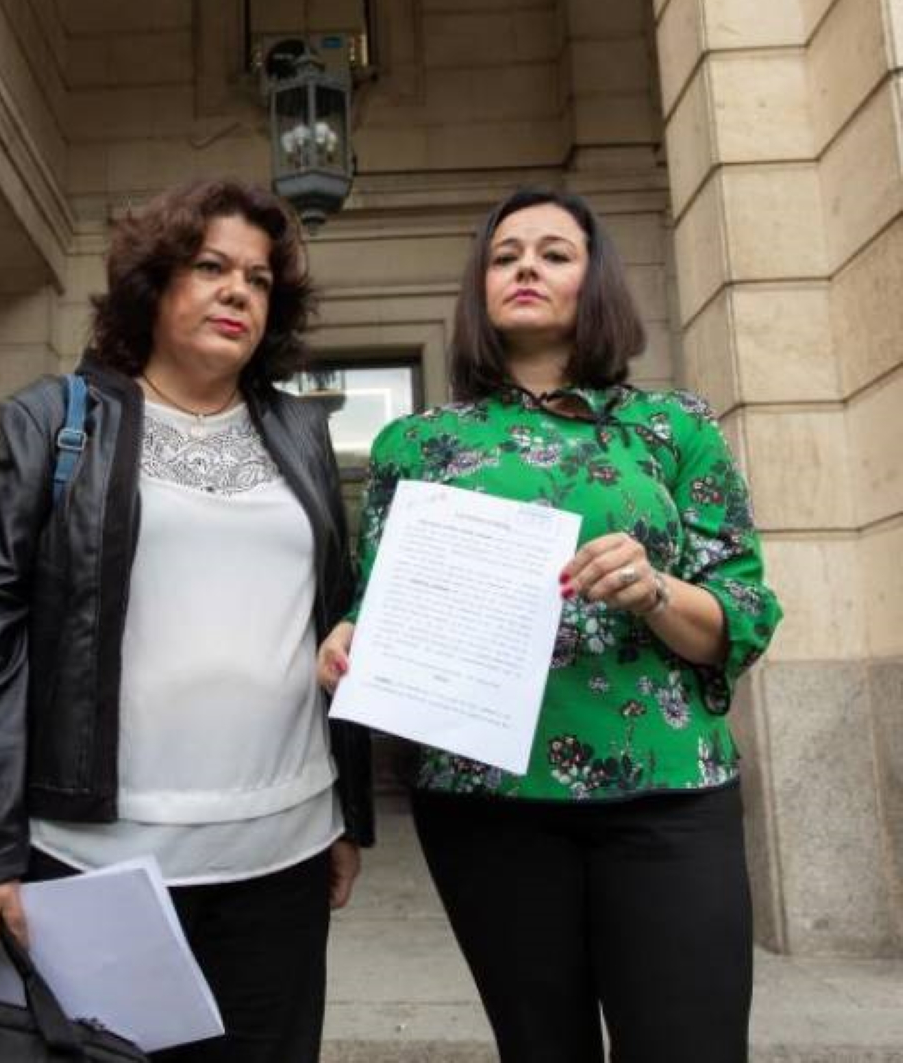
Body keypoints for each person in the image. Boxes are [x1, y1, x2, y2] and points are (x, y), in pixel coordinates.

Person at [317, 186, 783, 1063]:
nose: (525, 267)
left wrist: (654, 589)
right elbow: (379, 599)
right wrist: (351, 639)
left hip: (668, 796)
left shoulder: (673, 425)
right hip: (486, 806)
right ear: (480, 288)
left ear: (594, 282)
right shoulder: (414, 443)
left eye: (554, 254)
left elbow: (744, 611)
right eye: (504, 256)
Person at [0, 178, 376, 1063]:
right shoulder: (52, 422)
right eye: (210, 267)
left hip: (284, 855)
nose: (238, 291)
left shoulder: (300, 431)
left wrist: (347, 816)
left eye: (258, 278)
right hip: (98, 865)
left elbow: (334, 613)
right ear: (154, 282)